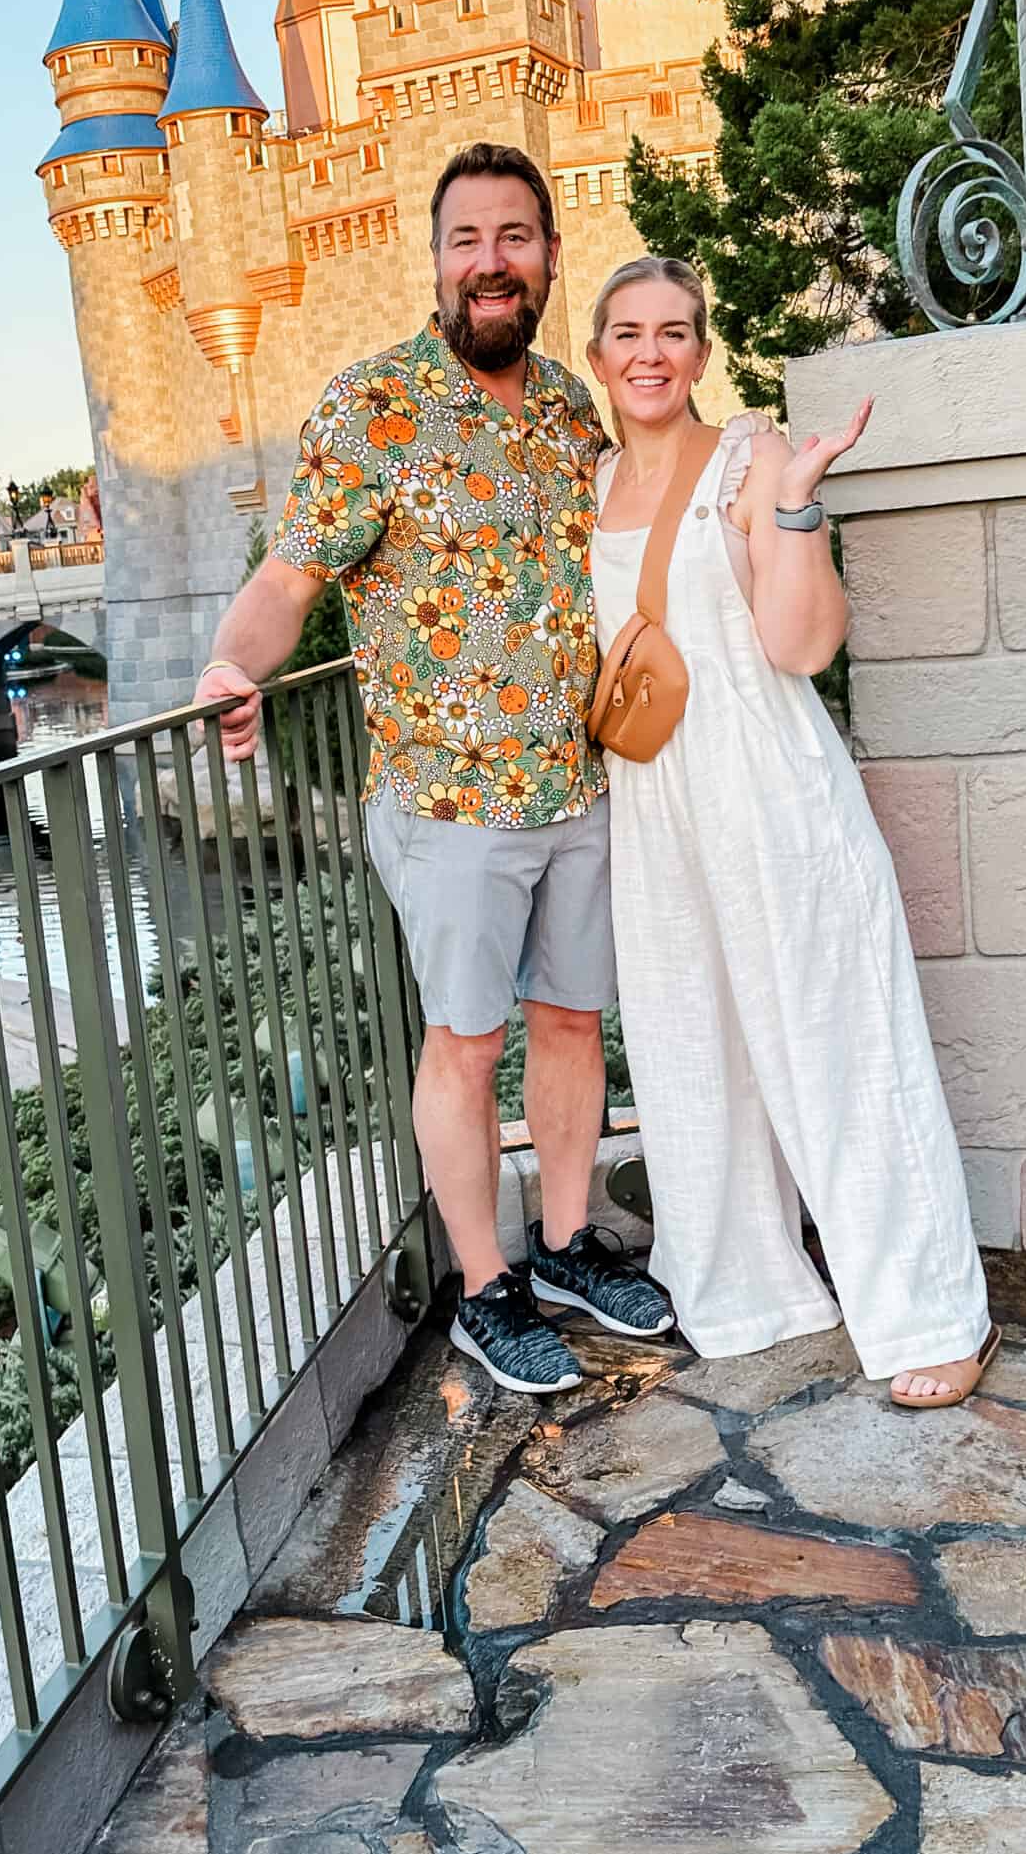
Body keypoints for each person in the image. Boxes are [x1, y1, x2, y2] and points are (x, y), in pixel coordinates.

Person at [195, 142, 672, 1394]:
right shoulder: (376, 408)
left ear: (550, 258)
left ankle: (567, 1246)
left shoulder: (576, 407)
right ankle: (484, 1286)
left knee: (572, 1023)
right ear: (439, 262)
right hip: (451, 803)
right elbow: (288, 576)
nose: (491, 263)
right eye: (468, 241)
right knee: (465, 1044)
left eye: (515, 238)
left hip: (580, 786)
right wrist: (229, 669)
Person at [584, 257, 997, 1407]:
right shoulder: (587, 488)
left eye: (674, 332)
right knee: (690, 1046)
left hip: (768, 785)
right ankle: (748, 1287)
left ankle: (932, 1311)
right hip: (655, 804)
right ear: (599, 356)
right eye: (629, 333)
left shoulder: (751, 459)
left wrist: (800, 505)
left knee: (837, 1038)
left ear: (703, 353)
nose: (652, 352)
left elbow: (800, 645)